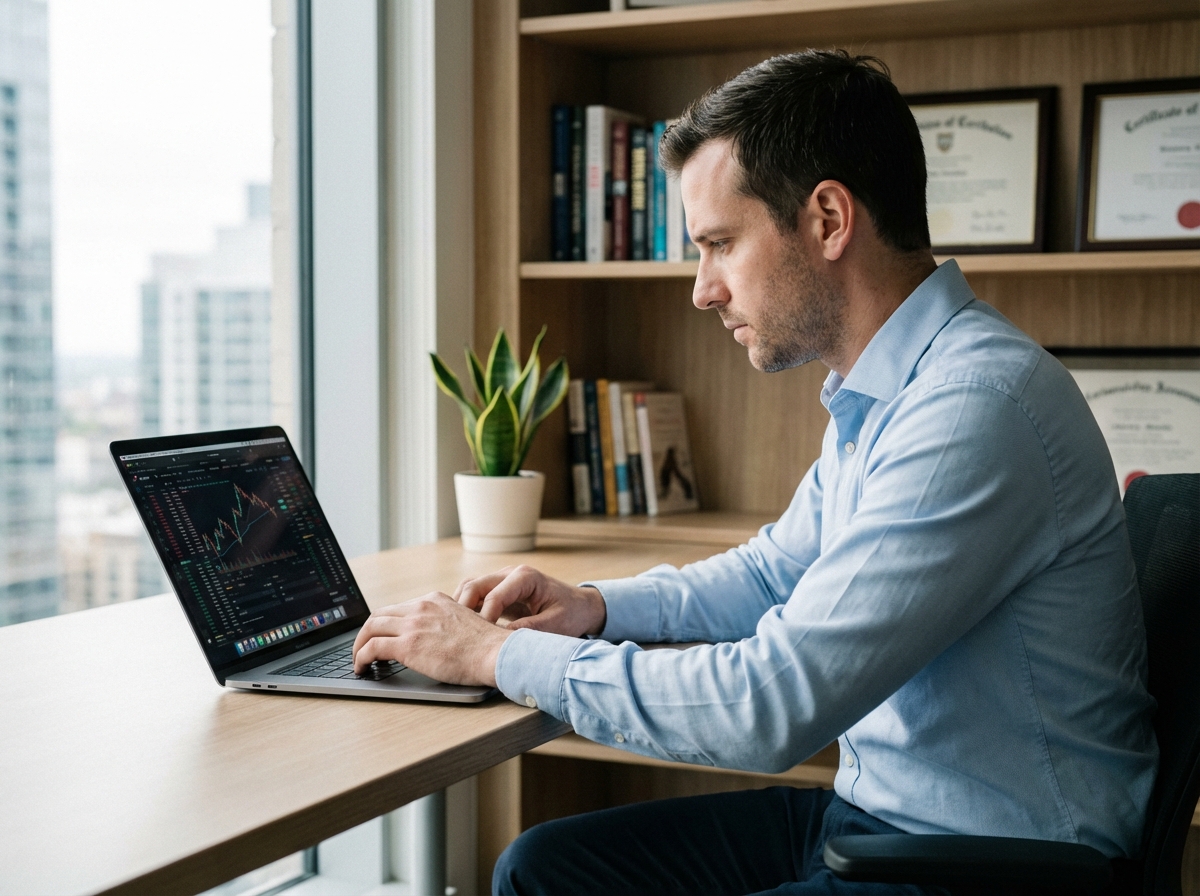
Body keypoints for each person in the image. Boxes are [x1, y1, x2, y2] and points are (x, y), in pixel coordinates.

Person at [352, 50, 1158, 895]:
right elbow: (778, 572)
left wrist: (494, 658)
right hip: (877, 819)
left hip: (988, 865)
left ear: (828, 219)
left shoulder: (972, 407)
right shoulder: (886, 390)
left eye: (720, 245)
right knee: (546, 867)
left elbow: (766, 706)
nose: (702, 290)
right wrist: (593, 609)